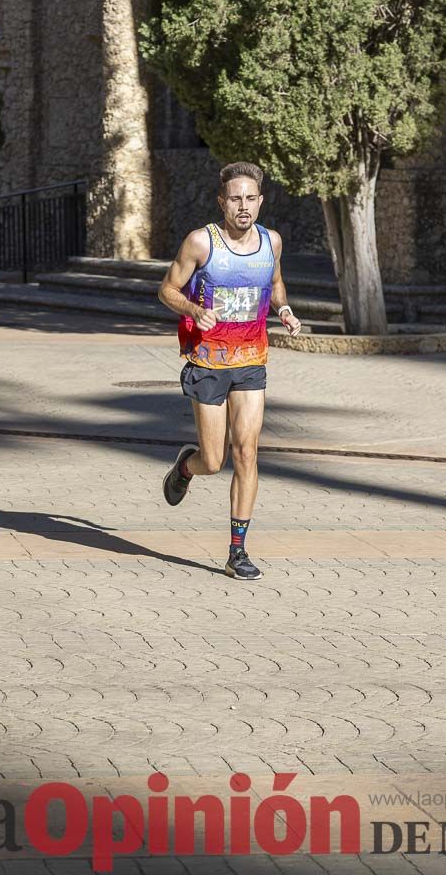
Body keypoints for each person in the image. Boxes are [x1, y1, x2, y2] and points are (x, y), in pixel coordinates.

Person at [158, 161, 301, 581]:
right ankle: (186, 467)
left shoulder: (270, 242)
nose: (243, 206)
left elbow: (274, 285)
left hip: (251, 361)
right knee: (214, 459)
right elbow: (166, 289)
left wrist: (286, 311)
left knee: (247, 452)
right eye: (235, 198)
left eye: (250, 199)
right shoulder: (201, 243)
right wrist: (193, 309)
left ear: (260, 201)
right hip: (208, 363)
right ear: (222, 202)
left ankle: (237, 550)